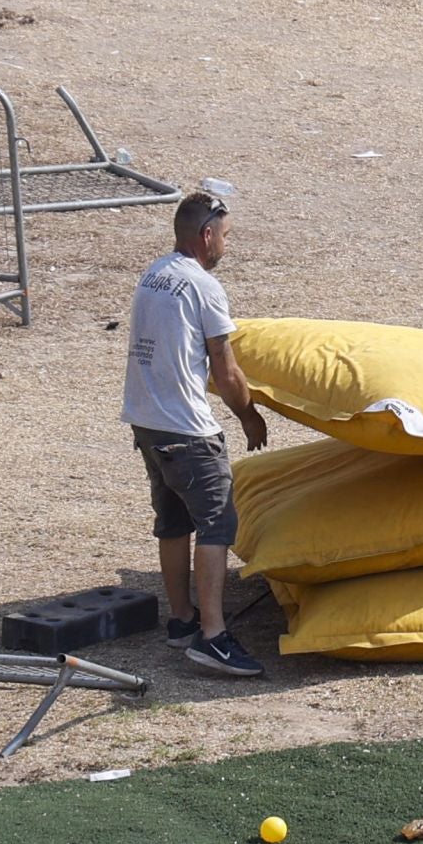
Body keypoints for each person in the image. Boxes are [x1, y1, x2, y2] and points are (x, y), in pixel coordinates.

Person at [121, 191, 269, 677]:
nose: (227, 245)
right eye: (225, 236)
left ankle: (181, 620)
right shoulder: (203, 287)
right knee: (217, 525)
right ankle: (211, 635)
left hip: (147, 423)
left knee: (173, 522)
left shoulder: (153, 274)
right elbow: (225, 370)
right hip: (187, 430)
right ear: (207, 236)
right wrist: (248, 415)